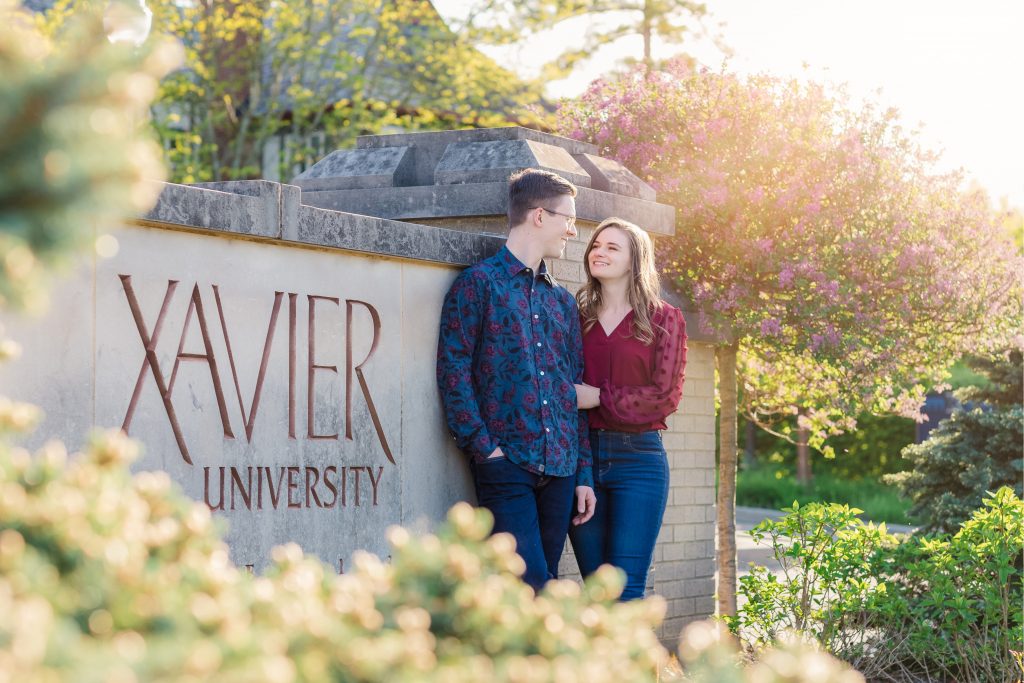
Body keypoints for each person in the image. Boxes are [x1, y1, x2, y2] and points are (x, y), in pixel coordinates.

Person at [436, 168, 596, 592]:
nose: (573, 230)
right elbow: (453, 372)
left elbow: (572, 390)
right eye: (568, 218)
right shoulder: (478, 285)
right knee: (529, 585)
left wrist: (582, 473)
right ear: (539, 216)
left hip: (560, 467)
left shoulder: (562, 302)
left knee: (547, 583)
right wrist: (485, 449)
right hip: (506, 466)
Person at [570, 217, 687, 600]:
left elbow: (663, 397)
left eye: (612, 247)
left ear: (635, 259)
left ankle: (630, 662)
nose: (598, 252)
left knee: (625, 589)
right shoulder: (576, 317)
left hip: (638, 461)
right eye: (596, 245)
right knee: (596, 591)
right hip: (581, 459)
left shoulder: (664, 319)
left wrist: (600, 397)